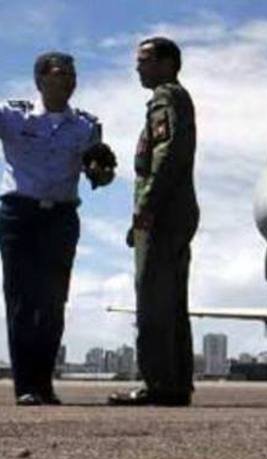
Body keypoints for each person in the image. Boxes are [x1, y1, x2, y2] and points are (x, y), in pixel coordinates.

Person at [0, 52, 115, 406]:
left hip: (60, 219)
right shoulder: (10, 114)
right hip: (18, 215)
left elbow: (97, 169)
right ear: (40, 80)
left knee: (52, 302)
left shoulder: (86, 125)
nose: (68, 80)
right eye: (60, 73)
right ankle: (26, 386)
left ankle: (43, 383)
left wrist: (101, 172)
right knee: (21, 300)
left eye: (72, 74)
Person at [109, 37, 198, 407]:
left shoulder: (166, 97)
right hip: (176, 211)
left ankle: (159, 383)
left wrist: (146, 206)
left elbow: (168, 152)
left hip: (162, 213)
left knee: (153, 300)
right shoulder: (176, 97)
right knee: (172, 302)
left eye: (144, 60)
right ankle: (176, 383)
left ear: (167, 63)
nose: (137, 67)